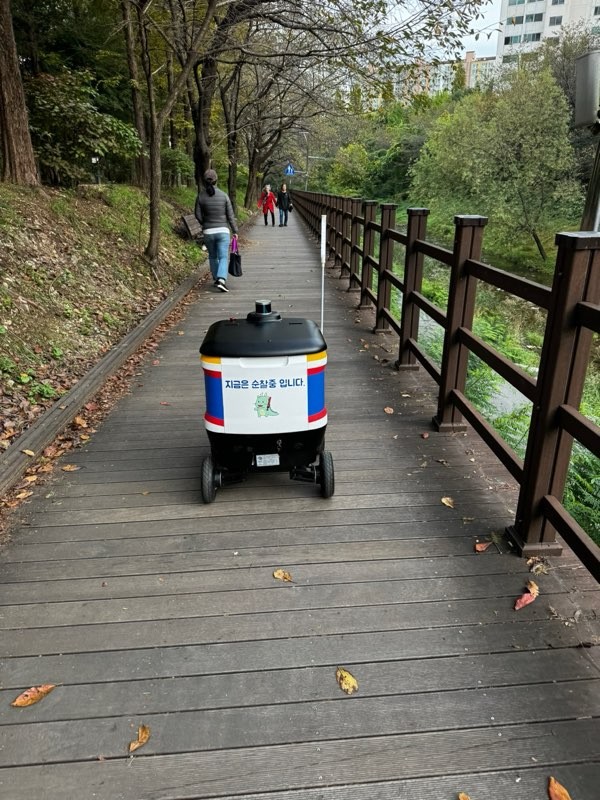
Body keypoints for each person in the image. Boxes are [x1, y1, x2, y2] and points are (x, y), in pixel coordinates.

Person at [194, 168, 238, 293]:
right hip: (223, 231)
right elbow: (230, 215)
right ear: (216, 180)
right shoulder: (224, 196)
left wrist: (205, 223)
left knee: (213, 256)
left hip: (208, 232)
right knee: (223, 256)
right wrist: (235, 231)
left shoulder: (200, 196)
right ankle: (221, 280)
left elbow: (197, 214)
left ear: (204, 181)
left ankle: (216, 279)